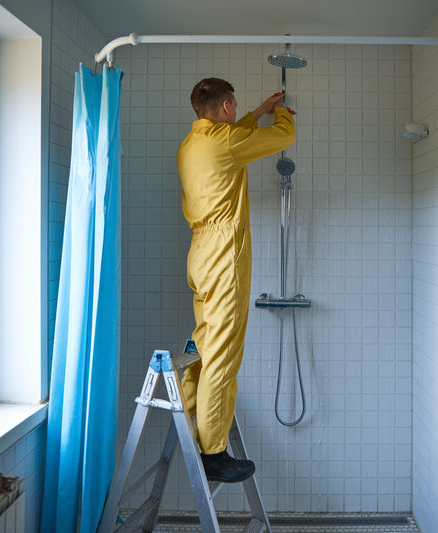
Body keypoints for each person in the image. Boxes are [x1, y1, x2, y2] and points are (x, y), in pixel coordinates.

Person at [177, 77, 295, 483]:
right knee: (223, 356)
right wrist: (280, 114)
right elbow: (284, 136)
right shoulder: (226, 143)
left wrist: (257, 110)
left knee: (204, 345)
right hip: (224, 255)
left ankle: (194, 424)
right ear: (226, 107)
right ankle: (213, 452)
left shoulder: (193, 145)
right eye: (237, 105)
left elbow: (231, 139)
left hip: (199, 255)